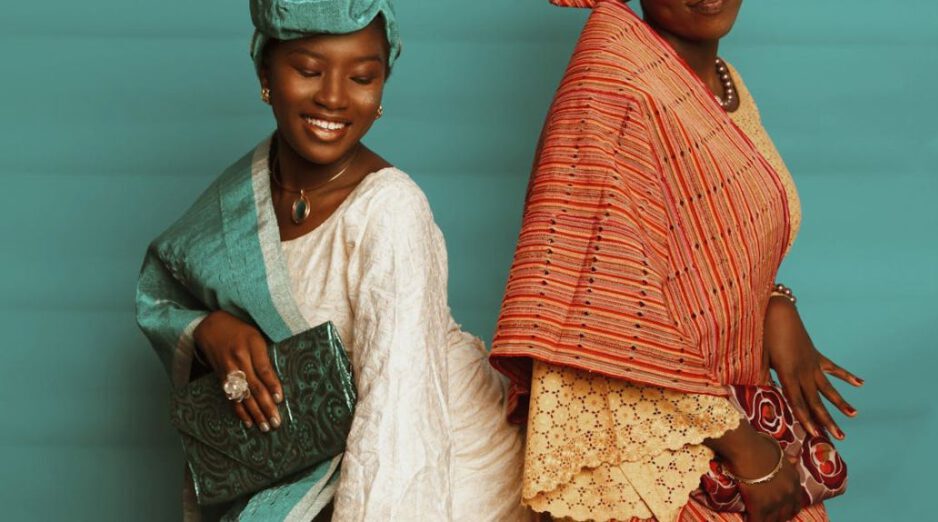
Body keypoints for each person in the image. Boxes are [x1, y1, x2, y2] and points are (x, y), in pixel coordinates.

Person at [136, 1, 527, 520]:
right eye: (309, 70)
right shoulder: (244, 191)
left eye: (363, 77)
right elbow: (165, 284)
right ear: (264, 72)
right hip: (329, 451)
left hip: (437, 459)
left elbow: (398, 414)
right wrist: (209, 328)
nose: (335, 98)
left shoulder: (391, 210)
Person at [490, 1, 864, 521]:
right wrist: (745, 449)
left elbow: (710, 249)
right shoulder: (615, 75)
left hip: (741, 420)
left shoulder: (724, 82)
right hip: (654, 455)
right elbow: (599, 298)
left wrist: (775, 303)